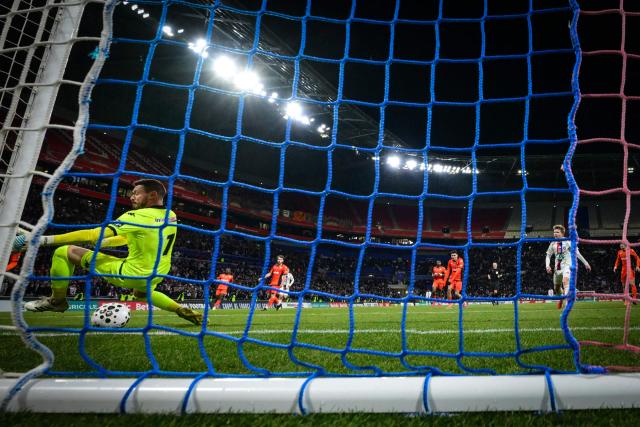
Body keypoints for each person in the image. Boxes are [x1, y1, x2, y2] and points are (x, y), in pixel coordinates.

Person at [15, 179, 204, 325]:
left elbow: (92, 234)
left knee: (64, 252)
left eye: (137, 194)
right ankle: (181, 310)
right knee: (142, 293)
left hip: (131, 272)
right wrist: (102, 243)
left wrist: (41, 240)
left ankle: (57, 301)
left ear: (153, 196)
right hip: (157, 274)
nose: (131, 197)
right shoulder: (171, 215)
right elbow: (127, 238)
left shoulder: (135, 216)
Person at [545, 224, 591, 310]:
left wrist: (586, 263)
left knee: (565, 281)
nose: (555, 234)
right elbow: (548, 255)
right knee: (557, 288)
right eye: (554, 232)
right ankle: (562, 298)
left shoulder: (567, 241)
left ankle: (567, 305)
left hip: (567, 265)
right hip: (557, 268)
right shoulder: (553, 243)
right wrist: (547, 266)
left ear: (562, 233)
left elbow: (576, 253)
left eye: (557, 232)